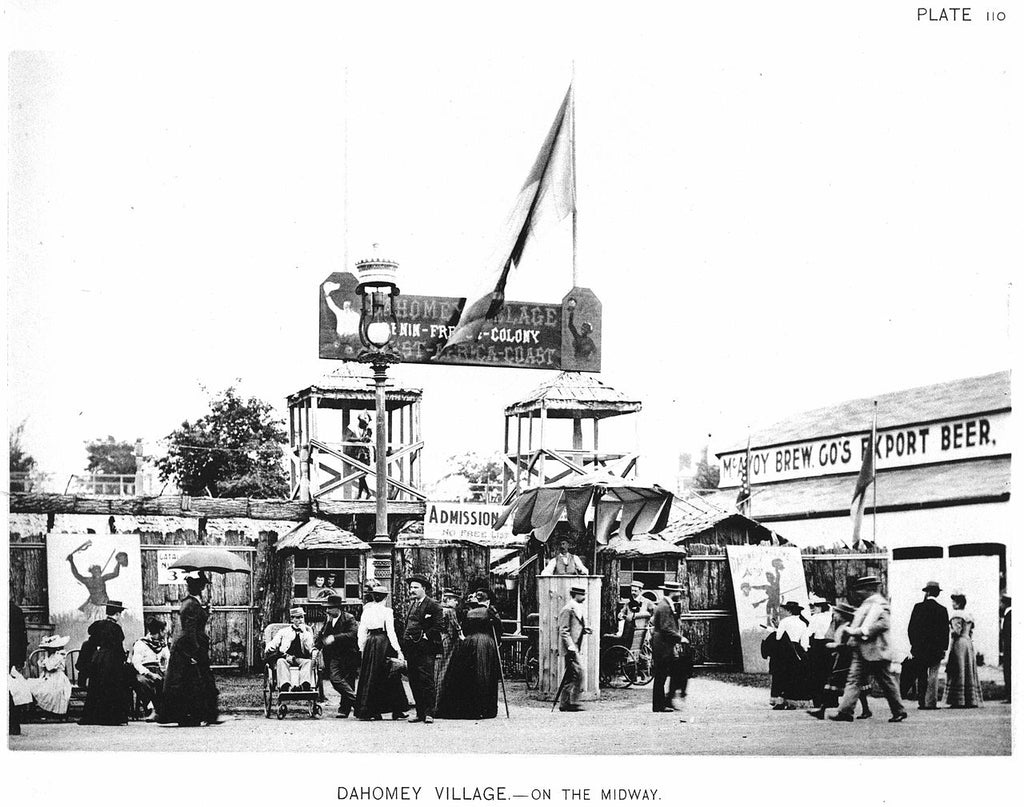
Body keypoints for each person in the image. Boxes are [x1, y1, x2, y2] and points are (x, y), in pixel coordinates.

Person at [828, 575, 907, 723]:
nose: (858, 593)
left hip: (876, 650)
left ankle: (899, 710)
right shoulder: (868, 604)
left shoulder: (880, 604)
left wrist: (861, 632)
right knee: (854, 680)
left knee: (886, 682)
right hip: (861, 649)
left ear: (869, 590)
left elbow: (884, 624)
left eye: (861, 589)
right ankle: (845, 711)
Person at [160, 573, 220, 727]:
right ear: (200, 588)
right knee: (192, 681)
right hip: (189, 647)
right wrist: (193, 652)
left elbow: (196, 623)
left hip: (191, 645)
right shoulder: (192, 604)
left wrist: (206, 612)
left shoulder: (192, 603)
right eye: (203, 586)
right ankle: (192, 715)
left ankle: (200, 715)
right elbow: (190, 630)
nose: (204, 588)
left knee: (195, 680)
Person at [438, 591, 503, 719]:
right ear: (487, 602)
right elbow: (499, 629)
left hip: (470, 642)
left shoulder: (469, 612)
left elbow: (465, 629)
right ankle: (486, 708)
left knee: (469, 674)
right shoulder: (490, 612)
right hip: (486, 642)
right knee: (485, 673)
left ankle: (470, 707)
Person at [808, 601, 872, 719]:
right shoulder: (843, 626)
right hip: (844, 659)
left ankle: (823, 710)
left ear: (843, 615)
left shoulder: (847, 628)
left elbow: (849, 644)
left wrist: (835, 646)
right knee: (849, 685)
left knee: (836, 684)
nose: (835, 615)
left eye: (838, 614)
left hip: (846, 660)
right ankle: (824, 710)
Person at [355, 581, 408, 721]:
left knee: (370, 675)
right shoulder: (387, 611)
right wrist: (398, 650)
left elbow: (362, 632)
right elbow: (391, 632)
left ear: (373, 597)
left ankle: (371, 710)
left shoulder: (367, 611)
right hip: (383, 642)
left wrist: (362, 648)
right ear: (385, 597)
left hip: (370, 642)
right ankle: (396, 709)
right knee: (390, 673)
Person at [78, 599, 131, 726]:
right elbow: (118, 647)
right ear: (117, 614)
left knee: (96, 686)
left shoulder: (97, 625)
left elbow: (91, 641)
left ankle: (93, 717)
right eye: (119, 614)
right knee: (111, 686)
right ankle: (110, 718)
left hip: (98, 658)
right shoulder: (116, 628)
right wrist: (124, 658)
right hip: (112, 660)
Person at [401, 575, 443, 724]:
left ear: (423, 589)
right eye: (411, 587)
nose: (412, 590)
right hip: (412, 649)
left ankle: (429, 712)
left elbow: (439, 625)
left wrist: (425, 636)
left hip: (426, 649)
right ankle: (419, 713)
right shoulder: (412, 605)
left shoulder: (433, 605)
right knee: (414, 680)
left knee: (426, 679)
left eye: (415, 587)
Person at [907, 580, 950, 710]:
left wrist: (914, 645)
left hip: (920, 649)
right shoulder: (942, 610)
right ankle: (931, 702)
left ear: (927, 592)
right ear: (937, 594)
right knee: (933, 675)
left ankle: (921, 702)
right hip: (935, 649)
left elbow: (911, 629)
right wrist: (944, 648)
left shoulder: (918, 607)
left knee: (921, 675)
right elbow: (945, 632)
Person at [315, 595, 360, 718]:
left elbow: (352, 634)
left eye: (330, 608)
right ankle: (359, 704)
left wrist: (335, 638)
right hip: (334, 656)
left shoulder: (349, 618)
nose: (327, 611)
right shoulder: (329, 620)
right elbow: (322, 635)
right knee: (335, 679)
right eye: (327, 608)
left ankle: (345, 709)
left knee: (348, 682)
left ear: (338, 608)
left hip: (348, 655)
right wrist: (316, 646)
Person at [651, 582, 690, 713]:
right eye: (678, 592)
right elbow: (665, 628)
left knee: (676, 671)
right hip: (662, 645)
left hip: (665, 644)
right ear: (671, 592)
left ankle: (667, 700)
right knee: (661, 676)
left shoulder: (665, 605)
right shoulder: (665, 607)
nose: (679, 594)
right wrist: (680, 638)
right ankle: (659, 705)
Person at [66, 541, 127, 622]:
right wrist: (71, 562)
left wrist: (118, 563)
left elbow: (115, 574)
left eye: (99, 570)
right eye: (96, 571)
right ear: (92, 572)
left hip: (104, 607)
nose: (98, 572)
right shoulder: (88, 581)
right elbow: (77, 575)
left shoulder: (103, 578)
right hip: (93, 607)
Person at [769, 601, 811, 710]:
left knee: (781, 675)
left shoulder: (785, 621)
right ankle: (792, 701)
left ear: (789, 611)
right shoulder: (803, 623)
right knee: (794, 675)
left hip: (785, 649)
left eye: (785, 610)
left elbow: (779, 637)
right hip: (797, 649)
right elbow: (805, 641)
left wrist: (776, 628)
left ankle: (780, 701)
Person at [945, 590, 983, 708]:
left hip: (959, 643)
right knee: (968, 669)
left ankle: (958, 700)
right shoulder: (969, 615)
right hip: (968, 643)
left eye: (954, 601)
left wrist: (948, 631)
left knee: (958, 668)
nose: (952, 604)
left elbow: (956, 631)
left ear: (958, 603)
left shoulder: (956, 615)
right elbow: (970, 631)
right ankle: (970, 699)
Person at [557, 585, 591, 712]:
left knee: (571, 674)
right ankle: (573, 701)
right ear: (575, 595)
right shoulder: (568, 609)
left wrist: (584, 630)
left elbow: (576, 626)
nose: (584, 597)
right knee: (580, 672)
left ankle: (566, 703)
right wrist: (570, 646)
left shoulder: (576, 607)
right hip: (571, 647)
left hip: (576, 645)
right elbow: (563, 630)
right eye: (582, 595)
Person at [266, 607, 316, 692]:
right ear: (292, 619)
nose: (300, 620)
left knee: (308, 662)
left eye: (302, 617)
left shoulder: (306, 633)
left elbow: (310, 647)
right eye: (297, 617)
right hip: (287, 658)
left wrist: (304, 633)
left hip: (301, 658)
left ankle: (305, 685)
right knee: (280, 662)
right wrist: (269, 648)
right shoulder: (284, 632)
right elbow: (274, 643)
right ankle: (285, 685)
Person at [130, 618, 170, 718]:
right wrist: (150, 674)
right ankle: (152, 709)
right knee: (142, 682)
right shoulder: (141, 643)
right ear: (159, 631)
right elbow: (136, 663)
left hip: (159, 670)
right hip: (144, 671)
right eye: (163, 630)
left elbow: (168, 659)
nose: (165, 632)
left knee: (168, 682)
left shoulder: (162, 645)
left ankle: (166, 711)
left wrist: (166, 672)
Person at [433, 589, 464, 713]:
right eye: (454, 600)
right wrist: (463, 638)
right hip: (448, 641)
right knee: (445, 670)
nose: (456, 602)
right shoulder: (450, 611)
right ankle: (438, 704)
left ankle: (434, 703)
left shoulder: (439, 609)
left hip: (439, 640)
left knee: (438, 670)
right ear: (447, 600)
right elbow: (456, 627)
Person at [28, 634, 73, 717]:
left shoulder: (59, 655)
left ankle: (51, 711)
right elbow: (44, 666)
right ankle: (37, 711)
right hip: (48, 677)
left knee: (50, 691)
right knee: (33, 685)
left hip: (57, 679)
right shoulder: (50, 655)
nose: (47, 650)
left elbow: (50, 668)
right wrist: (43, 662)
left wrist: (45, 663)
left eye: (49, 648)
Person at [805, 599, 833, 713]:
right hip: (830, 643)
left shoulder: (816, 617)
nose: (814, 608)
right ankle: (832, 700)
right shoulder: (830, 616)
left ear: (821, 607)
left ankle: (818, 700)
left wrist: (805, 645)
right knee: (828, 672)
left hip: (818, 645)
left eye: (816, 606)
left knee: (816, 673)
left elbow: (809, 632)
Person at [618, 581, 655, 652]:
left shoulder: (647, 602)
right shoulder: (628, 603)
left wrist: (649, 623)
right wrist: (620, 615)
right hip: (628, 633)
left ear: (641, 591)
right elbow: (622, 613)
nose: (633, 593)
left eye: (635, 591)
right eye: (632, 590)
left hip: (642, 635)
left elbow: (656, 613)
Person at [9, 599, 28, 735]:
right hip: (11, 656)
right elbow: (22, 637)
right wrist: (20, 659)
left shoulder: (14, 611)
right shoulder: (16, 610)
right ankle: (13, 725)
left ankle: (13, 724)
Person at [344, 413, 373, 499]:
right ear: (360, 421)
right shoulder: (353, 427)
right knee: (360, 474)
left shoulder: (368, 429)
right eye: (363, 423)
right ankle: (365, 493)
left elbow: (368, 439)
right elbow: (348, 438)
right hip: (355, 453)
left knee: (361, 474)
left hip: (365, 454)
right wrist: (359, 439)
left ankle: (362, 494)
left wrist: (366, 438)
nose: (365, 425)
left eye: (366, 423)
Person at [1000, 593, 1011, 703]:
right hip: (1008, 648)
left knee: (1008, 671)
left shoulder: (1010, 615)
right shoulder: (1008, 615)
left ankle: (1009, 695)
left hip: (1009, 649)